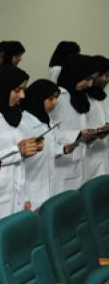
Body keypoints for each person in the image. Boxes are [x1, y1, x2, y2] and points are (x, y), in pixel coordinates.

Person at [0, 66, 39, 225]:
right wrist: (17, 151)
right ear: (2, 89)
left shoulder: (14, 114)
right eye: (17, 90)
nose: (22, 95)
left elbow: (19, 164)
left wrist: (25, 196)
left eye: (23, 90)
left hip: (14, 192)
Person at [51, 54, 98, 193]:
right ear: (75, 74)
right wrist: (76, 135)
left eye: (92, 79)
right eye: (87, 79)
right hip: (62, 165)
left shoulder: (81, 97)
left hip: (81, 162)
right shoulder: (57, 98)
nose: (90, 84)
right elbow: (49, 132)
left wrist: (92, 134)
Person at [19, 79, 62, 209]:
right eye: (50, 99)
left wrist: (63, 149)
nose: (55, 103)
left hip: (49, 186)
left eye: (56, 98)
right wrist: (24, 197)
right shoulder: (23, 123)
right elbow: (19, 164)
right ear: (38, 99)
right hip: (32, 191)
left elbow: (50, 148)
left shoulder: (46, 119)